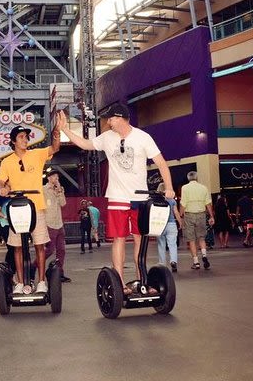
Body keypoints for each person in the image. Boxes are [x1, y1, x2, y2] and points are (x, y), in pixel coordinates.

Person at [57, 106, 175, 295]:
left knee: (140, 239)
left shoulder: (143, 137)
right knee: (119, 239)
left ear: (120, 118)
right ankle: (120, 283)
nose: (108, 122)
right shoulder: (107, 137)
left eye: (110, 119)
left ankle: (142, 279)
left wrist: (169, 187)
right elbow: (85, 144)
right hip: (117, 197)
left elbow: (161, 163)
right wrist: (65, 129)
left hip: (140, 198)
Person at [0, 122, 61, 295]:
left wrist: (56, 133)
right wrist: (2, 187)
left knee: (40, 245)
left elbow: (54, 148)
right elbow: (1, 181)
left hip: (36, 207)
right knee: (17, 247)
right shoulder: (7, 162)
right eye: (21, 137)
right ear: (13, 141)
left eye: (26, 137)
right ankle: (19, 282)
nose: (25, 140)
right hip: (16, 208)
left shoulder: (37, 155)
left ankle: (41, 281)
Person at [179, 171, 215, 270]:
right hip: (201, 215)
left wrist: (181, 216)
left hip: (189, 215)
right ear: (197, 178)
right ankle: (204, 255)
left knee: (191, 239)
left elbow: (183, 204)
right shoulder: (204, 188)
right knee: (202, 238)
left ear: (188, 178)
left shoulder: (184, 188)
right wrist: (211, 216)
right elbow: (208, 204)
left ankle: (196, 262)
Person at [43, 171, 70, 282]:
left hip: (59, 223)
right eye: (54, 177)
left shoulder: (60, 189)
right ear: (49, 178)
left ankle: (59, 272)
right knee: (49, 250)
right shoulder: (43, 189)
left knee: (61, 250)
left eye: (57, 177)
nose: (56, 179)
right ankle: (34, 266)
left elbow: (63, 203)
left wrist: (59, 191)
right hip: (49, 223)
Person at [156, 182, 181, 272]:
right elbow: (176, 212)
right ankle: (173, 261)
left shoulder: (156, 200)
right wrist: (180, 222)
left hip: (160, 225)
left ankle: (162, 264)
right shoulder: (172, 200)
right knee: (172, 244)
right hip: (171, 224)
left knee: (161, 245)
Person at [0, 183, 15, 272]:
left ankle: (10, 265)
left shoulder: (13, 197)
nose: (9, 188)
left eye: (10, 186)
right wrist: (5, 217)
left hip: (14, 224)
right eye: (7, 186)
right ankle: (9, 265)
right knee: (10, 246)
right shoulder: (1, 198)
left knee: (14, 246)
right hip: (5, 224)